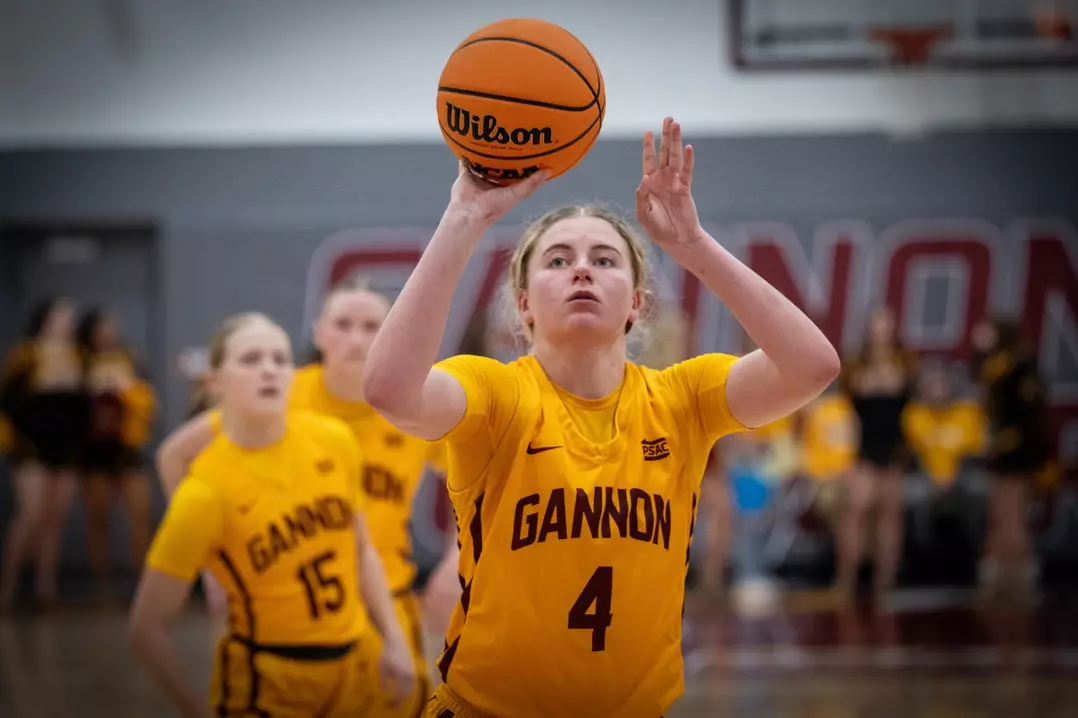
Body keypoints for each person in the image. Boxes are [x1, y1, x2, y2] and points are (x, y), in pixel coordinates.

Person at [362, 117, 841, 718]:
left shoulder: (682, 398)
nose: (582, 269)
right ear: (524, 305)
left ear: (638, 304)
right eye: (558, 260)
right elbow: (388, 389)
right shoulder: (496, 395)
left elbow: (813, 366)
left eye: (606, 260)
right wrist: (463, 218)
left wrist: (692, 245)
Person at [155, 278, 454, 717]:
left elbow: (474, 477)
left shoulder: (412, 401)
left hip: (387, 594)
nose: (356, 338)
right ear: (318, 332)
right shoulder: (280, 389)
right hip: (291, 615)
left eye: (372, 325)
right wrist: (212, 566)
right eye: (343, 324)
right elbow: (173, 455)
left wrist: (454, 558)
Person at [0, 297, 89, 611]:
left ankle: (44, 588)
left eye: (70, 317)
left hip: (66, 450)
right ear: (46, 319)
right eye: (61, 316)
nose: (67, 322)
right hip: (32, 448)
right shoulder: (26, 356)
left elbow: (84, 408)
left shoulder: (78, 358)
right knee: (31, 515)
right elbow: (8, 401)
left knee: (55, 519)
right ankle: (7, 588)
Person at [76, 308, 157, 603]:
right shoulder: (79, 362)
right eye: (103, 326)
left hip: (128, 447)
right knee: (99, 517)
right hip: (95, 451)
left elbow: (148, 401)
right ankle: (101, 585)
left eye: (112, 325)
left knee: (140, 513)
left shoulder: (130, 358)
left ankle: (146, 584)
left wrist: (126, 389)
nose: (109, 331)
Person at [836, 306, 917, 599]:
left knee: (890, 514)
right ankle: (846, 579)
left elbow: (908, 401)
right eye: (876, 324)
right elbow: (848, 409)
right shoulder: (856, 365)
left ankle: (886, 581)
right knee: (857, 510)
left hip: (894, 446)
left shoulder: (904, 363)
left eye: (886, 324)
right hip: (864, 447)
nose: (881, 330)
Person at [970, 316, 1049, 600]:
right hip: (1004, 449)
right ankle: (1002, 575)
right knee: (1001, 512)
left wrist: (1005, 441)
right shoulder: (994, 365)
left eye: (988, 330)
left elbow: (1031, 413)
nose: (980, 333)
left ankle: (1020, 576)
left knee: (1012, 513)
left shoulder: (1019, 366)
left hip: (1018, 450)